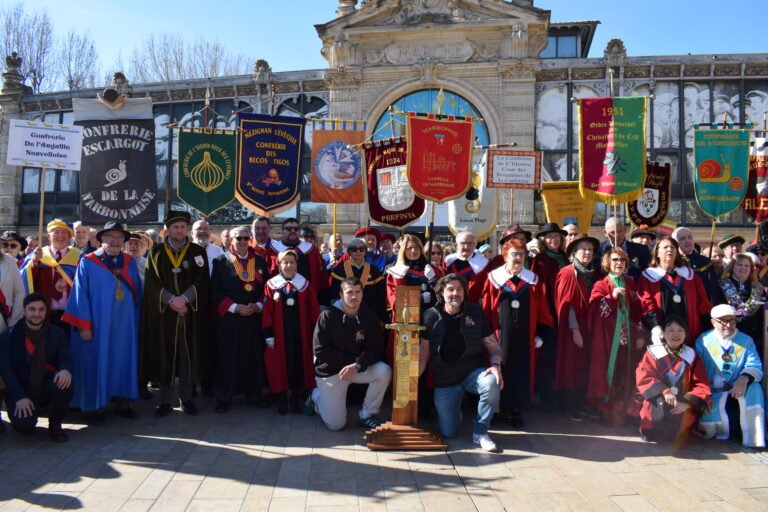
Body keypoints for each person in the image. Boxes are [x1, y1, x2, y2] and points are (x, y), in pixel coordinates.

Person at [62, 221, 142, 422]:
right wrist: (83, 325)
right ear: (101, 240)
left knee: (123, 361)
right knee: (95, 363)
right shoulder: (88, 261)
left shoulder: (130, 262)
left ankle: (123, 403)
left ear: (124, 240)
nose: (115, 240)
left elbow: (137, 295)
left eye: (119, 237)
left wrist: (137, 322)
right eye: (110, 236)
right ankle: (94, 407)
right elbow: (79, 295)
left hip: (125, 326)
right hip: (97, 325)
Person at [420, 274, 503, 452]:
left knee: (491, 382)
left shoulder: (475, 311)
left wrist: (496, 366)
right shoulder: (429, 316)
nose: (455, 293)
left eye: (459, 289)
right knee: (449, 432)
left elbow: (493, 345)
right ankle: (455, 409)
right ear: (441, 292)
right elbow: (424, 351)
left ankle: (480, 433)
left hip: (473, 372)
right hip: (445, 379)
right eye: (450, 289)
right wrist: (412, 379)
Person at [140, 210, 210, 418]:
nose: (179, 230)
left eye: (182, 227)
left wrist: (185, 300)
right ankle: (164, 401)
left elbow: (202, 280)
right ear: (167, 229)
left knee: (187, 356)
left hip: (190, 314)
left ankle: (186, 399)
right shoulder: (156, 252)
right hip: (165, 315)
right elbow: (152, 283)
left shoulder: (197, 252)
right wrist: (171, 300)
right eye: (175, 227)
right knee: (165, 356)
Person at [482, 238, 552, 428]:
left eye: (522, 254)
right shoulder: (494, 279)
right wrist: (486, 334)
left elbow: (543, 311)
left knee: (521, 372)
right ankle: (496, 409)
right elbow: (486, 310)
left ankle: (515, 410)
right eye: (514, 254)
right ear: (505, 256)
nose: (518, 258)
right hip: (499, 336)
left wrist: (541, 334)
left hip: (525, 338)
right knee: (500, 369)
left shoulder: (533, 281)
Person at [306, 277, 391, 430]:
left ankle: (367, 414)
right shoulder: (327, 316)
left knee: (384, 371)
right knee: (336, 425)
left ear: (362, 294)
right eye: (349, 292)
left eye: (358, 292)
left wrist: (358, 365)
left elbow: (377, 348)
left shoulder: (369, 315)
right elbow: (320, 351)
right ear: (341, 294)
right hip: (332, 371)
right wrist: (351, 362)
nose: (354, 296)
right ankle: (316, 398)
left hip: (356, 367)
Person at [210, 226, 269, 413]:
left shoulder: (260, 261)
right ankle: (224, 397)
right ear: (231, 241)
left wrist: (258, 306)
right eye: (239, 238)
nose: (242, 241)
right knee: (228, 357)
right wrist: (235, 308)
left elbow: (267, 289)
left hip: (254, 316)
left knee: (253, 357)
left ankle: (253, 395)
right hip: (230, 318)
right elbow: (215, 292)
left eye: (246, 238)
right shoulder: (220, 262)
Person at [0, 293, 73, 442]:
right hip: (20, 391)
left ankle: (55, 424)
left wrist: (65, 369)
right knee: (25, 427)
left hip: (46, 387)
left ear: (46, 312)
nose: (36, 314)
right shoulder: (9, 336)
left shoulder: (57, 333)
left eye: (41, 309)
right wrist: (19, 396)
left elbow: (65, 358)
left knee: (66, 382)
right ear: (24, 310)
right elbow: (6, 370)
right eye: (32, 309)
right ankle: (27, 415)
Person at [587, 248, 645, 426]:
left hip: (628, 339)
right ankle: (606, 410)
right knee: (608, 373)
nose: (618, 263)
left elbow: (638, 310)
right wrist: (611, 297)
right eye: (614, 260)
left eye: (622, 260)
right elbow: (596, 311)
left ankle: (624, 411)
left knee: (625, 373)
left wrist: (641, 333)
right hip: (608, 339)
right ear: (607, 263)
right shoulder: (601, 284)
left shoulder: (630, 282)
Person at [695, 304, 765, 448]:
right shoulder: (703, 341)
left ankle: (754, 436)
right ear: (713, 322)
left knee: (755, 388)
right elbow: (697, 371)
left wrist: (744, 378)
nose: (728, 325)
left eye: (732, 321)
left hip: (736, 390)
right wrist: (704, 392)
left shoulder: (746, 341)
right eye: (723, 321)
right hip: (712, 391)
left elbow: (755, 365)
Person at [636, 315, 711, 444]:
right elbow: (644, 376)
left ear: (685, 335)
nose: (675, 334)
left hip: (682, 400)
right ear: (663, 334)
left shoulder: (692, 356)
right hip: (658, 398)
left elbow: (701, 383)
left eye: (680, 330)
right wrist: (665, 391)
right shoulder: (653, 353)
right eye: (670, 330)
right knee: (654, 426)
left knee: (677, 433)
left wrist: (687, 403)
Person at [262, 249, 321, 415]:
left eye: (292, 262)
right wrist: (268, 334)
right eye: (285, 262)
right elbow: (267, 312)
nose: (288, 265)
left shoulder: (305, 285)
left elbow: (314, 311)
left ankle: (295, 398)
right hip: (279, 334)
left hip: (300, 334)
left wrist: (314, 334)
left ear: (297, 264)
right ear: (279, 265)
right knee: (280, 365)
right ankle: (282, 398)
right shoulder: (271, 285)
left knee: (298, 364)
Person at [554, 236, 601, 421]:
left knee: (585, 366)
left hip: (590, 326)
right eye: (583, 249)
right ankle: (570, 406)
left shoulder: (594, 272)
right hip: (572, 327)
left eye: (590, 249)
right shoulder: (567, 273)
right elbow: (567, 304)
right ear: (574, 253)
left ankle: (582, 403)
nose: (587, 252)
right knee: (571, 364)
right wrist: (574, 329)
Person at [638, 236, 712, 345]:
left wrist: (707, 329)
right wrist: (655, 326)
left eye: (673, 247)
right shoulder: (648, 277)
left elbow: (703, 304)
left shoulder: (690, 276)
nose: (669, 249)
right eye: (665, 247)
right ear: (657, 253)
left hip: (690, 332)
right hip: (661, 332)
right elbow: (646, 303)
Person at [530, 222, 568, 409]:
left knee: (565, 355)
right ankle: (547, 397)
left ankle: (562, 394)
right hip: (549, 313)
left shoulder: (567, 257)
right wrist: (546, 314)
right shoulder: (540, 259)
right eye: (550, 237)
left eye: (557, 237)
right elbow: (539, 289)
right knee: (548, 356)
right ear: (544, 240)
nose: (554, 240)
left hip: (567, 311)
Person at [20, 219, 82, 331]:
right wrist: (34, 263)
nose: (60, 235)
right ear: (48, 236)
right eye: (56, 232)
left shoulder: (79, 258)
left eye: (64, 232)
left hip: (71, 314)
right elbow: (24, 280)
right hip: (44, 314)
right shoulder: (38, 255)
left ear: (69, 237)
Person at [716, 253, 765, 355]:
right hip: (729, 333)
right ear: (732, 267)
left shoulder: (758, 288)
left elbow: (762, 315)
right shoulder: (721, 285)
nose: (743, 268)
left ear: (751, 269)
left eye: (747, 266)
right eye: (739, 264)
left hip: (753, 335)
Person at [328, 238, 386, 322]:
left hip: (370, 316)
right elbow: (335, 295)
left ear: (365, 251)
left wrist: (381, 317)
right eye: (354, 249)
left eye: (362, 249)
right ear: (349, 251)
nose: (358, 252)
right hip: (346, 316)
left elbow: (380, 297)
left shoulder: (374, 271)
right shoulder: (339, 270)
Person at [267, 218, 326, 290]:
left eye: (296, 229)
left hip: (306, 296)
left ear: (299, 231)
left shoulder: (312, 250)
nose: (293, 231)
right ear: (282, 231)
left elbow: (321, 276)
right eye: (288, 229)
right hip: (278, 296)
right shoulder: (272, 251)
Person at [672, 227, 719, 302]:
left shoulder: (705, 262)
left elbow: (712, 290)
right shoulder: (672, 262)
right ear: (675, 243)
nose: (687, 241)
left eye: (690, 237)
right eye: (682, 238)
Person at [444, 230, 489, 304]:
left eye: (470, 243)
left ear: (475, 245)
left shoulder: (483, 263)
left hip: (473, 304)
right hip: (451, 302)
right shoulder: (448, 261)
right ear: (456, 245)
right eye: (462, 243)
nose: (466, 246)